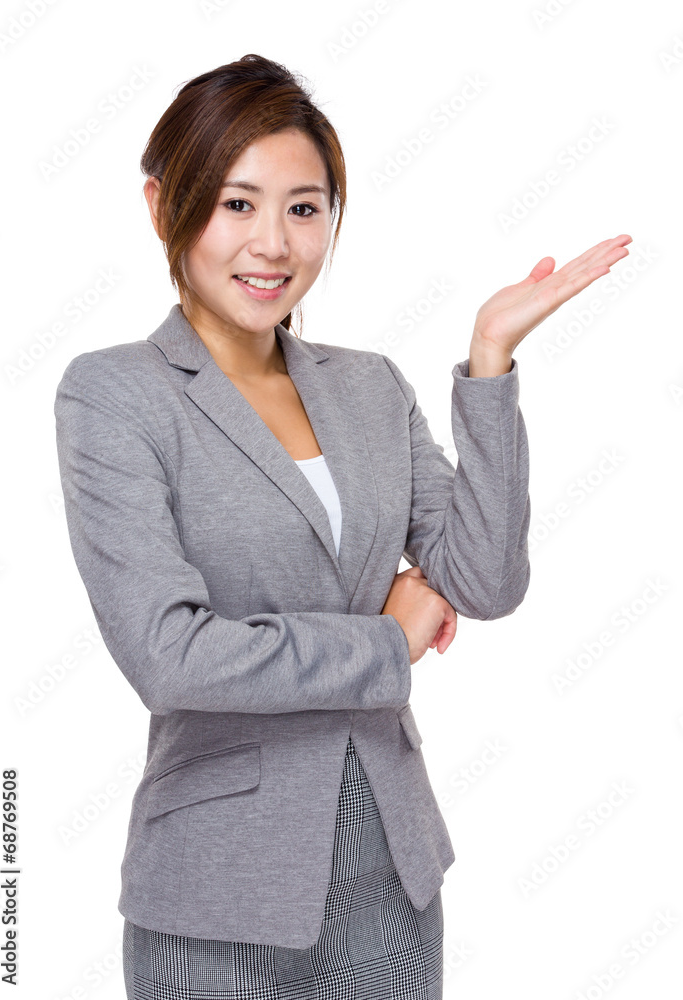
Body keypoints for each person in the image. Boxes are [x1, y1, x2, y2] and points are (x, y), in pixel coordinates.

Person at [53, 52, 631, 1000]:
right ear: (164, 207)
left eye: (304, 207)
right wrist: (384, 643)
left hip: (391, 883)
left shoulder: (368, 386)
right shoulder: (114, 394)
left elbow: (485, 580)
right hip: (214, 896)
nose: (272, 243)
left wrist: (488, 367)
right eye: (236, 204)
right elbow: (170, 655)